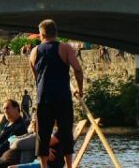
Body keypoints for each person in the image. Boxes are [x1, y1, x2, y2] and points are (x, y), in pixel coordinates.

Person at [29, 19, 83, 168]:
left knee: (43, 134)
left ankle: (43, 166)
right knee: (65, 131)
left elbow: (37, 77)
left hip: (43, 98)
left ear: (41, 34)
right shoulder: (65, 48)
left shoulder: (34, 52)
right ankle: (70, 166)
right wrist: (80, 89)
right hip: (62, 97)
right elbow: (78, 70)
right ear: (56, 33)